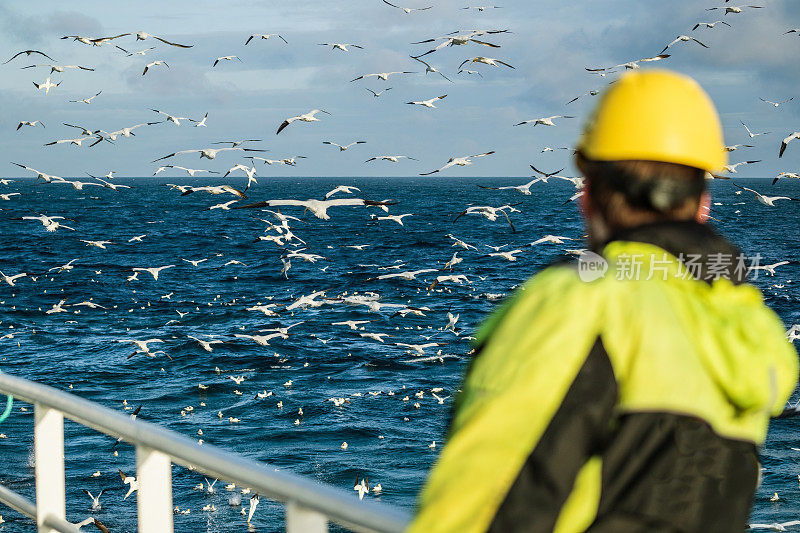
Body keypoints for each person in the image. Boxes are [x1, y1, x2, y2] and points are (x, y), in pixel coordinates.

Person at [408, 70, 798, 532]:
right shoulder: (750, 331)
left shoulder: (581, 304)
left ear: (587, 195)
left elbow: (480, 509)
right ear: (703, 203)